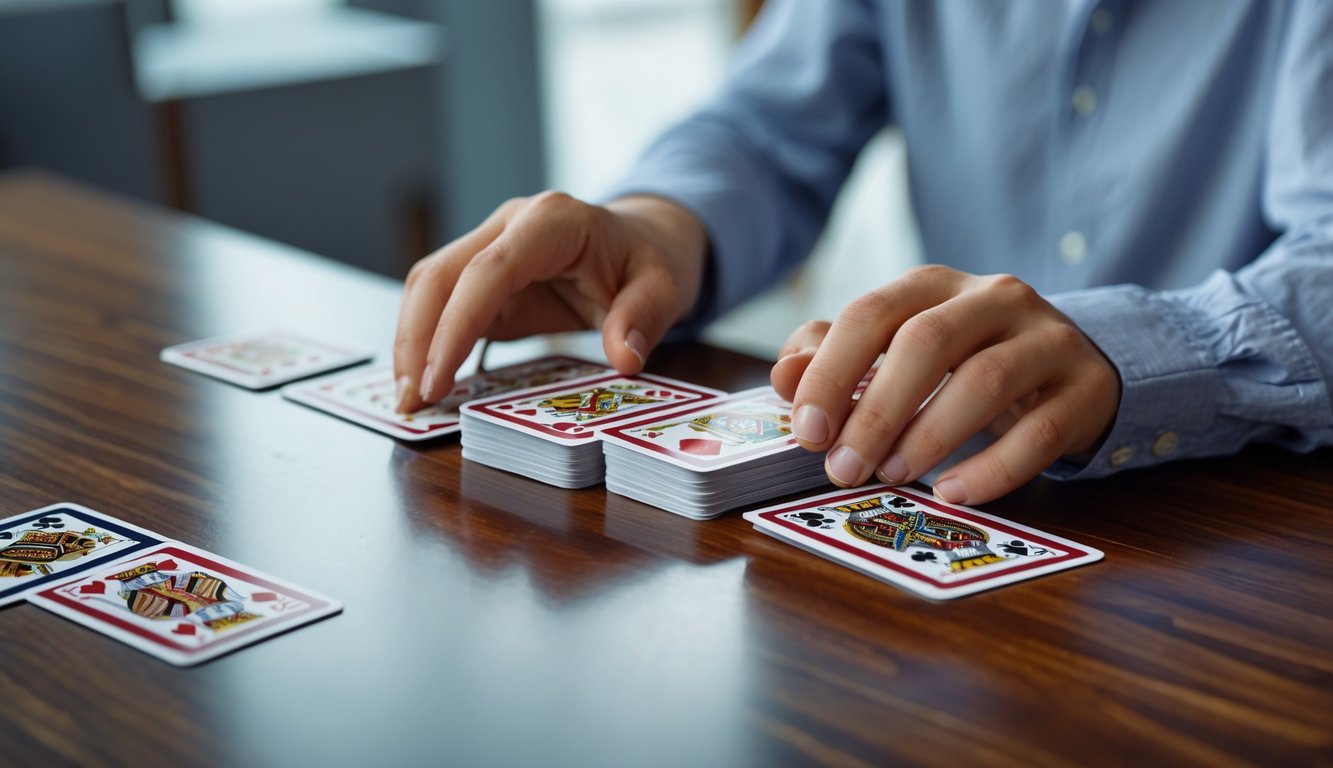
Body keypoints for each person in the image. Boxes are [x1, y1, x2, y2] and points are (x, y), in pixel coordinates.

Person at [393, 0, 1332, 505]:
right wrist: (657, 228)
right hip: (959, 505)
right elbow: (768, 124)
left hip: (1259, 522)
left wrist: (1136, 351)